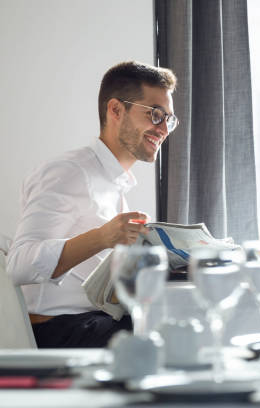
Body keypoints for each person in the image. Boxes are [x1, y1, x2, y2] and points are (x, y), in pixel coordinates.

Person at [7, 61, 178, 348]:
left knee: (183, 321)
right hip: (60, 330)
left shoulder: (115, 183)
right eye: (155, 115)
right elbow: (18, 264)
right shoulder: (68, 172)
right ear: (115, 110)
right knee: (174, 339)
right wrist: (103, 237)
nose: (163, 129)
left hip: (97, 320)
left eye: (169, 120)